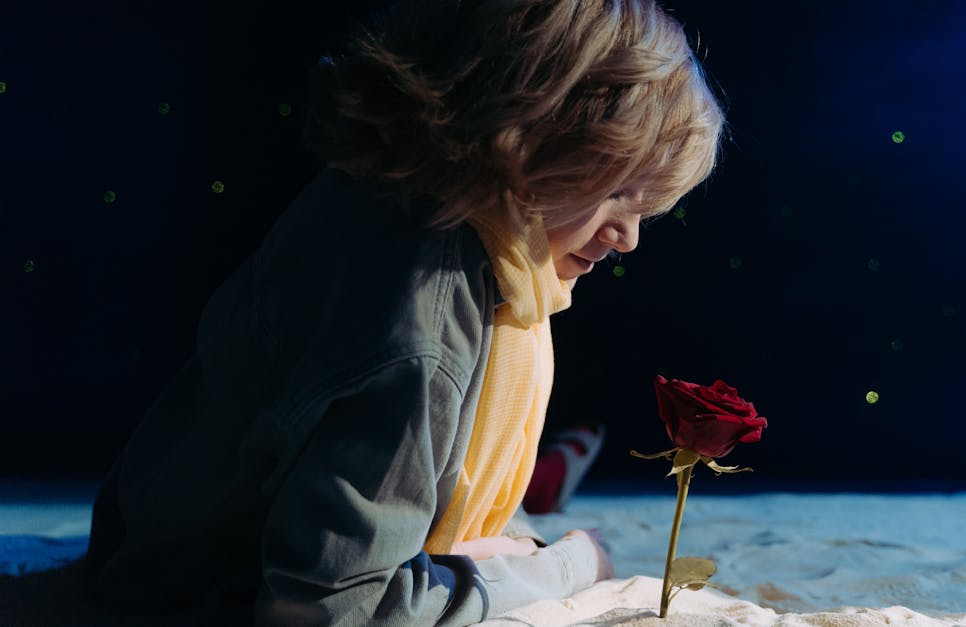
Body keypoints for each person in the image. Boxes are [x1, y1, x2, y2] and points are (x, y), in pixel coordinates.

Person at [83, 0, 725, 624]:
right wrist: (567, 568)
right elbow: (336, 608)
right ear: (522, 137)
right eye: (617, 189)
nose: (630, 237)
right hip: (174, 584)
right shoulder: (422, 322)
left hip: (140, 525)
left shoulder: (384, 198)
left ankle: (530, 498)